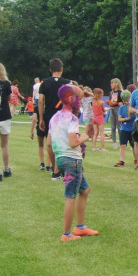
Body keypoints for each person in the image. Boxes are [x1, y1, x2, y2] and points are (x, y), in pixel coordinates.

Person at [49, 84, 99, 242]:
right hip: (72, 161)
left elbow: (50, 142)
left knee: (85, 190)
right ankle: (66, 234)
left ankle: (81, 227)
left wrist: (87, 99)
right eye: (78, 98)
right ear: (71, 99)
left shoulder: (55, 117)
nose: (79, 101)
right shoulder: (71, 118)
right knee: (70, 196)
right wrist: (85, 136)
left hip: (62, 159)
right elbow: (73, 142)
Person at [37, 58, 71, 180]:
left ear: (50, 70)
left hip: (49, 115)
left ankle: (54, 169)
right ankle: (59, 169)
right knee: (62, 142)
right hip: (63, 114)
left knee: (50, 143)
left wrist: (41, 118)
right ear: (61, 69)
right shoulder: (68, 83)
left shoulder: (44, 83)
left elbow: (41, 101)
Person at [114, 90, 134, 167]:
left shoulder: (133, 107)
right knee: (122, 145)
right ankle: (121, 160)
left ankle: (136, 159)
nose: (126, 102)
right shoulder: (121, 108)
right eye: (124, 100)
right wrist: (126, 119)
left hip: (132, 128)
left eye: (128, 100)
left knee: (133, 145)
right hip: (124, 129)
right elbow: (119, 119)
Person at [107, 78, 124, 145]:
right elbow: (112, 102)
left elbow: (116, 102)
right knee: (113, 126)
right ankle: (114, 142)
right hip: (112, 109)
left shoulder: (121, 92)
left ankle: (121, 141)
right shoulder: (112, 93)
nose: (111, 85)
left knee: (119, 127)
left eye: (112, 83)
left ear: (116, 84)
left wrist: (118, 103)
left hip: (118, 110)